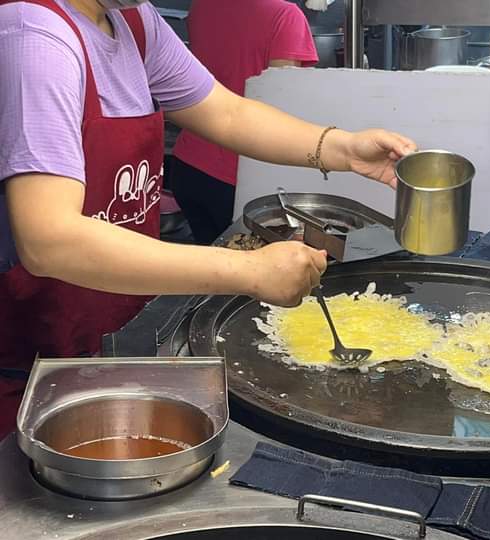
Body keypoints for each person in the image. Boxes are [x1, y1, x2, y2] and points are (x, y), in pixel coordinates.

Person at [0, 0, 416, 439]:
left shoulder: (132, 20)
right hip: (32, 352)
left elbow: (225, 112)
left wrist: (344, 149)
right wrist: (249, 271)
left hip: (108, 326)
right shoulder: (38, 38)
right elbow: (50, 239)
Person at [172, 0, 319, 244]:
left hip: (189, 165)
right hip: (241, 179)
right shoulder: (286, 16)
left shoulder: (202, 6)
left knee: (211, 268)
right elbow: (284, 103)